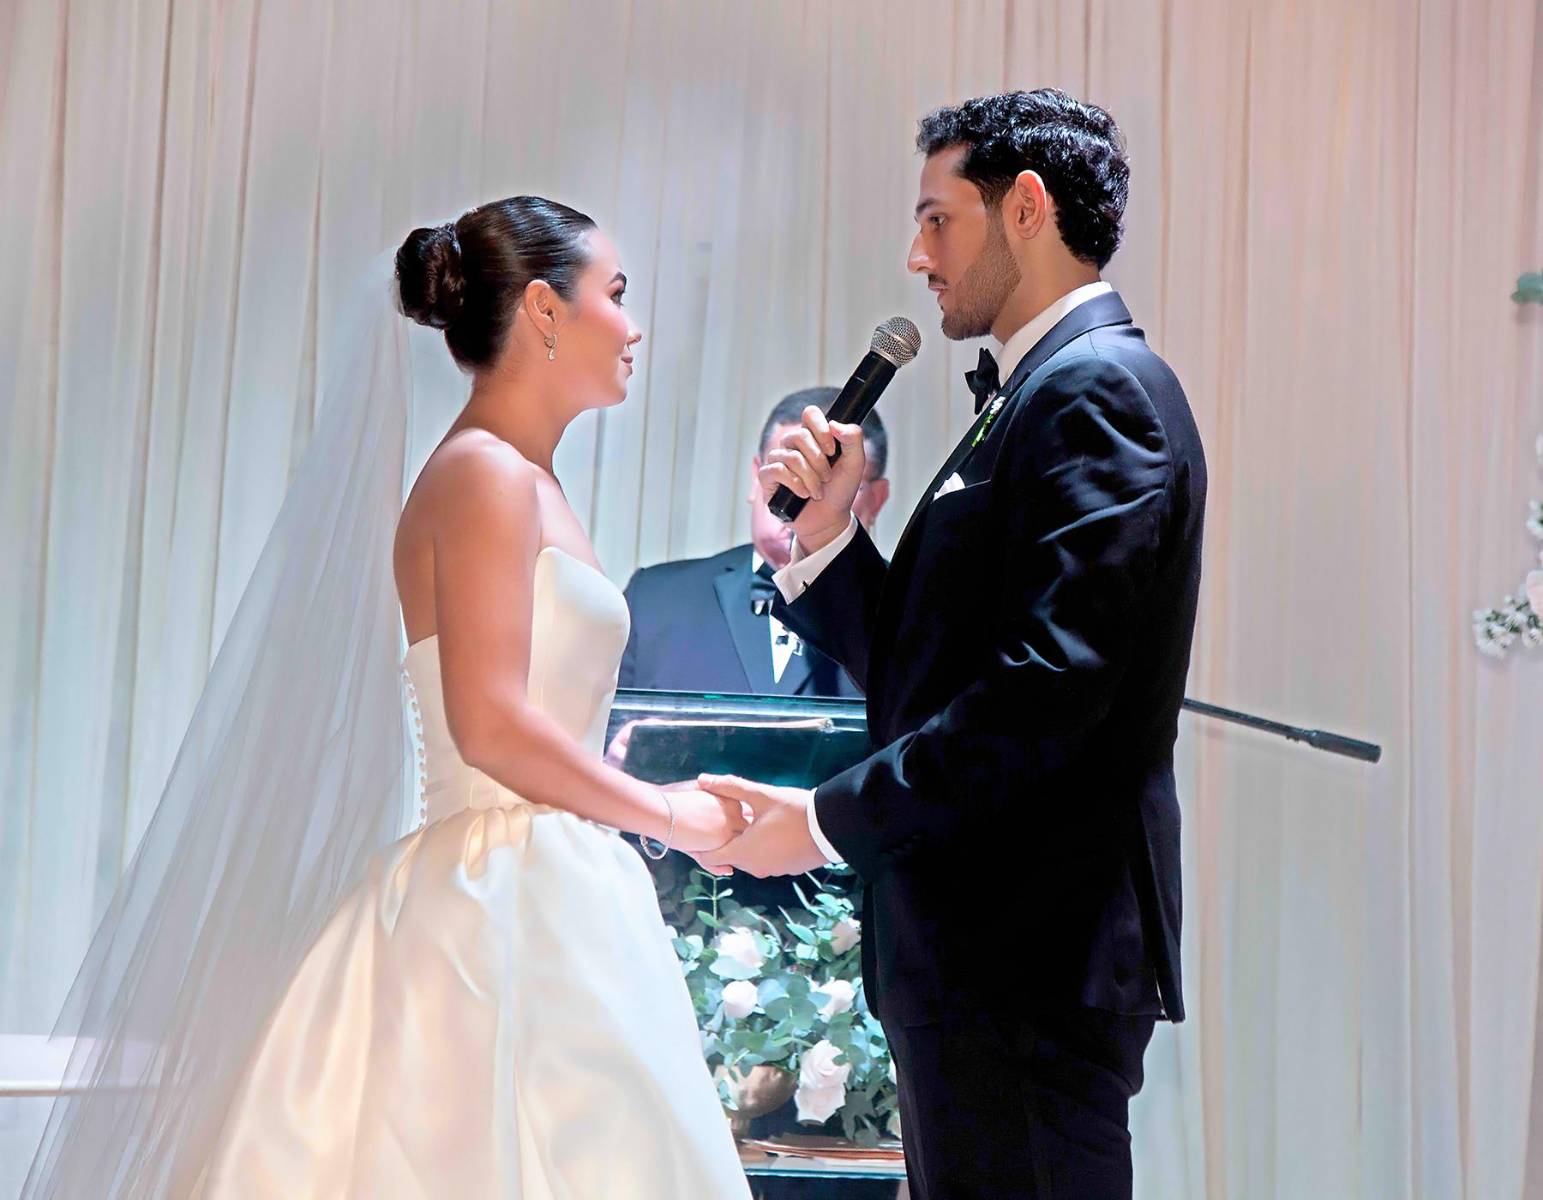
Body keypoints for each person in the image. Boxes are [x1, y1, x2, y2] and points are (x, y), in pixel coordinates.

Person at [22, 197, 752, 1198]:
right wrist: (671, 816)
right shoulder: (483, 476)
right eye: (615, 296)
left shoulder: (519, 479)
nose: (632, 326)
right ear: (545, 310)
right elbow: (489, 724)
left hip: (552, 882)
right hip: (499, 895)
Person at [696, 90, 1209, 1200]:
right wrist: (829, 538)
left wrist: (825, 820)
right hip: (978, 959)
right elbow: (942, 671)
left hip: (1028, 954)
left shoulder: (1096, 392)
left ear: (1024, 207)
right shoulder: (1032, 394)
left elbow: (1043, 692)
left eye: (939, 219)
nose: (915, 256)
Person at [616, 390, 890, 701]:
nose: (808, 494)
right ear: (755, 477)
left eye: (834, 480)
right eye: (791, 471)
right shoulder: (655, 597)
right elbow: (601, 729)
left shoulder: (905, 613)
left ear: (878, 500)